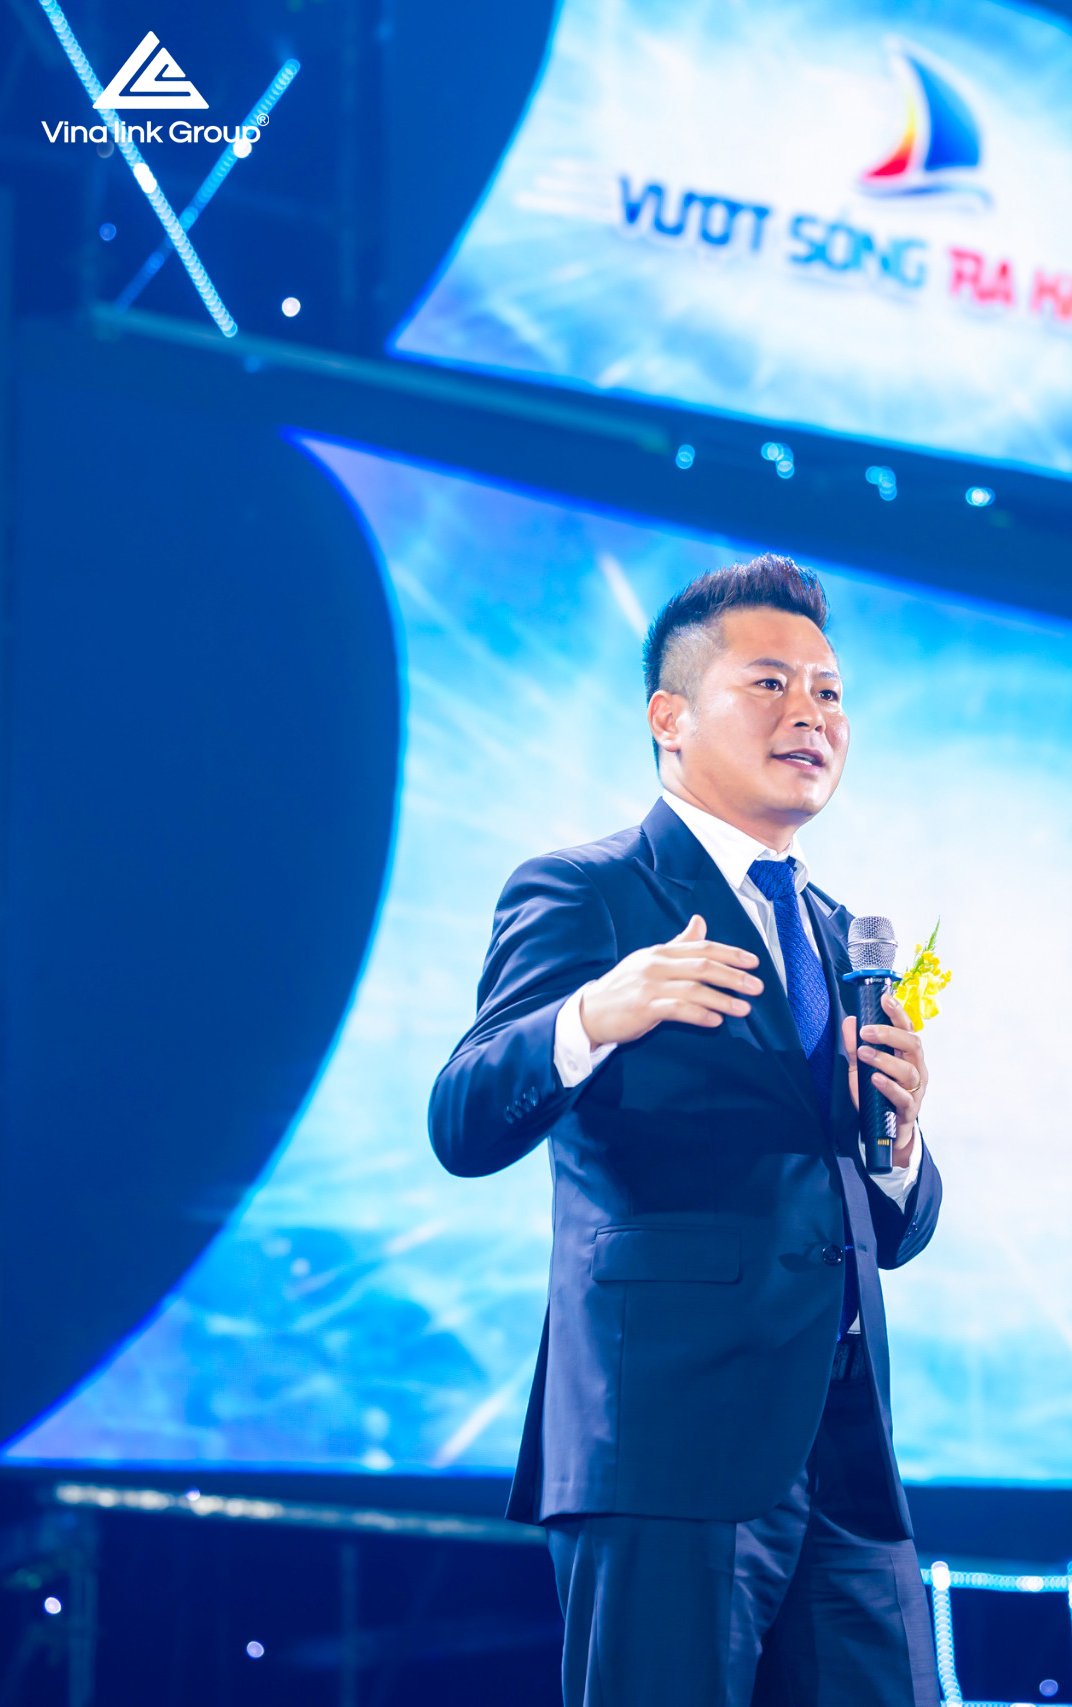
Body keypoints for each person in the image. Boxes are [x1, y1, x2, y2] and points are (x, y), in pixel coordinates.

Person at [428, 554, 943, 1705]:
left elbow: (892, 1228)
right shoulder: (588, 889)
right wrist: (591, 1015)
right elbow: (462, 1117)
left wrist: (902, 1145)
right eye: (769, 684)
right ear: (669, 717)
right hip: (663, 1447)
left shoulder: (834, 932)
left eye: (829, 692)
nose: (811, 713)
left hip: (847, 1462)